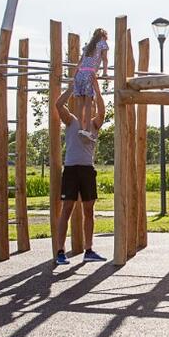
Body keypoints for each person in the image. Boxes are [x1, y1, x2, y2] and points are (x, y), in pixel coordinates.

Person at [54, 73, 105, 265]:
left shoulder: (94, 123)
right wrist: (71, 88)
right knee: (67, 209)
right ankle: (60, 251)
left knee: (89, 211)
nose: (88, 105)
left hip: (87, 170)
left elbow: (102, 110)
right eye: (84, 101)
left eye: (90, 103)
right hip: (71, 169)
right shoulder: (71, 121)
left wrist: (97, 90)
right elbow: (58, 105)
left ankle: (89, 249)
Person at [72, 27, 110, 104]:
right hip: (90, 74)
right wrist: (105, 73)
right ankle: (88, 116)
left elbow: (80, 62)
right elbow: (105, 59)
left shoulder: (88, 46)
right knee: (88, 103)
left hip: (80, 74)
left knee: (80, 103)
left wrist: (74, 75)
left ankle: (79, 116)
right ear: (103, 37)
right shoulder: (103, 43)